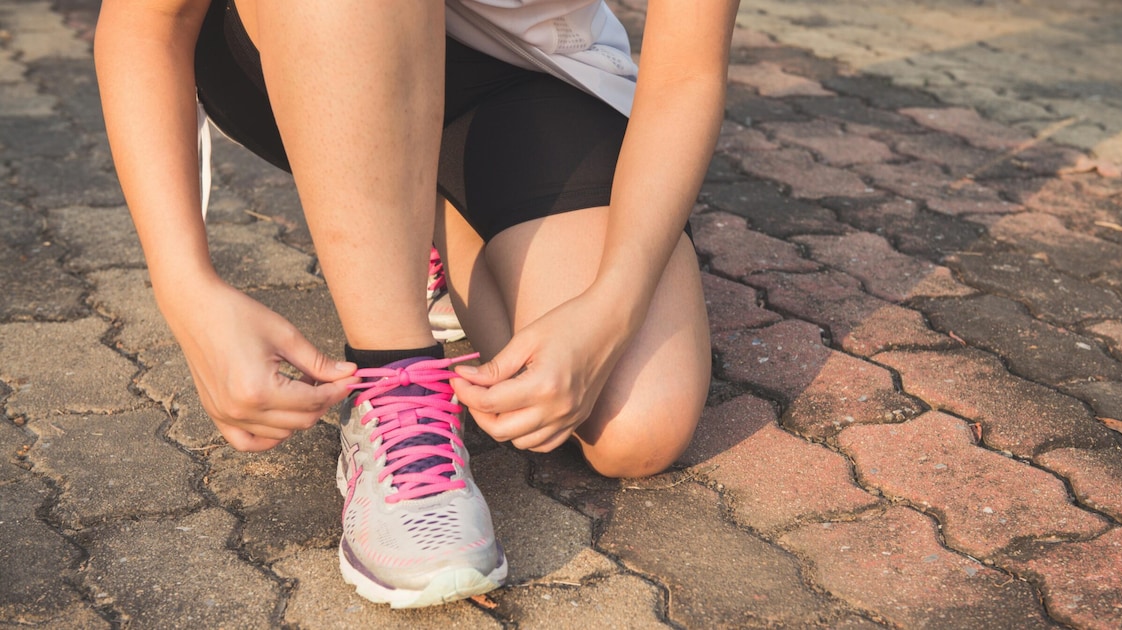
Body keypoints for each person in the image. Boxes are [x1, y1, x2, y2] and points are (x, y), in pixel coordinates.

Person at [94, 0, 738, 608]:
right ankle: (394, 383)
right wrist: (186, 287)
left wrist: (612, 307)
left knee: (636, 425)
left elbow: (687, 72)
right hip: (308, 33)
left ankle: (412, 211)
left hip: (526, 66)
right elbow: (145, 25)